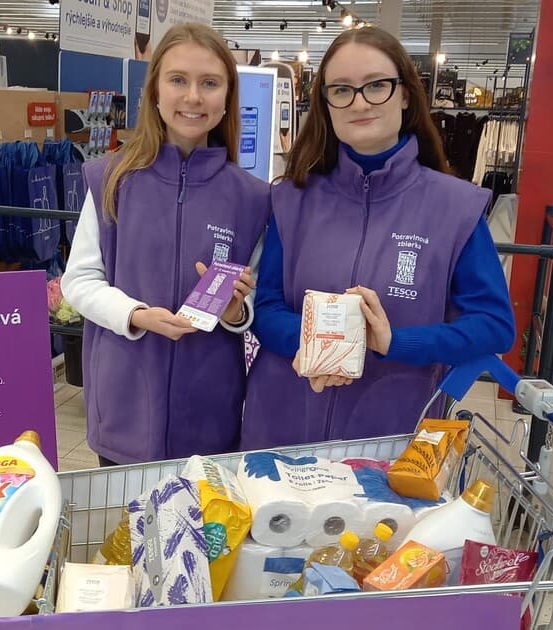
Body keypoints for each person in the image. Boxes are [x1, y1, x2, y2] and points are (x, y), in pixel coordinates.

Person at [241, 27, 516, 450]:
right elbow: (268, 306)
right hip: (282, 422)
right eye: (342, 90)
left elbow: (494, 326)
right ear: (326, 104)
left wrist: (396, 343)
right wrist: (319, 344)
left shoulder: (455, 207)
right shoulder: (291, 198)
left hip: (392, 433)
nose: (360, 102)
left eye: (376, 86)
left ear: (405, 94)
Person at [61, 23, 269, 465]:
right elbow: (79, 280)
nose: (193, 97)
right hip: (125, 402)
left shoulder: (252, 197)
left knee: (203, 533)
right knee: (124, 532)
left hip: (208, 411)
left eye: (209, 83)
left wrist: (236, 313)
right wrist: (135, 315)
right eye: (178, 80)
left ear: (227, 96)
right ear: (155, 90)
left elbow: (257, 296)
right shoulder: (111, 179)